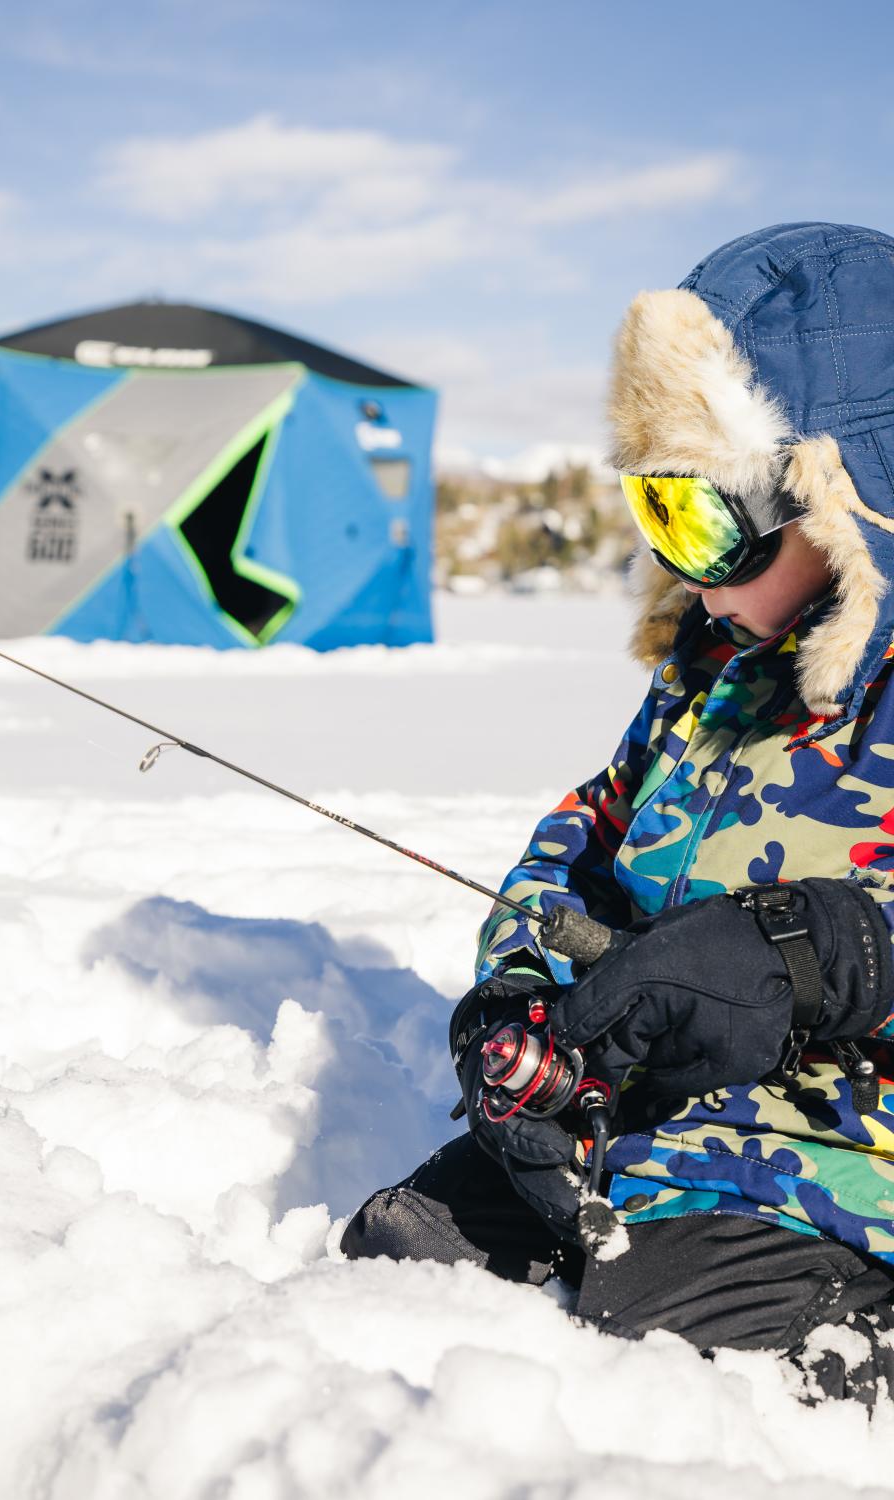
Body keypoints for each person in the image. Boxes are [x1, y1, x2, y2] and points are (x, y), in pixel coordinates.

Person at [343, 222, 894, 1404]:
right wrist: (518, 993)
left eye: (710, 522)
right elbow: (580, 843)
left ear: (841, 491)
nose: (692, 573)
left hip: (848, 1162)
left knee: (667, 1341)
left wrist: (815, 955)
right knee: (401, 1255)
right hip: (645, 1136)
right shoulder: (708, 676)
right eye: (661, 518)